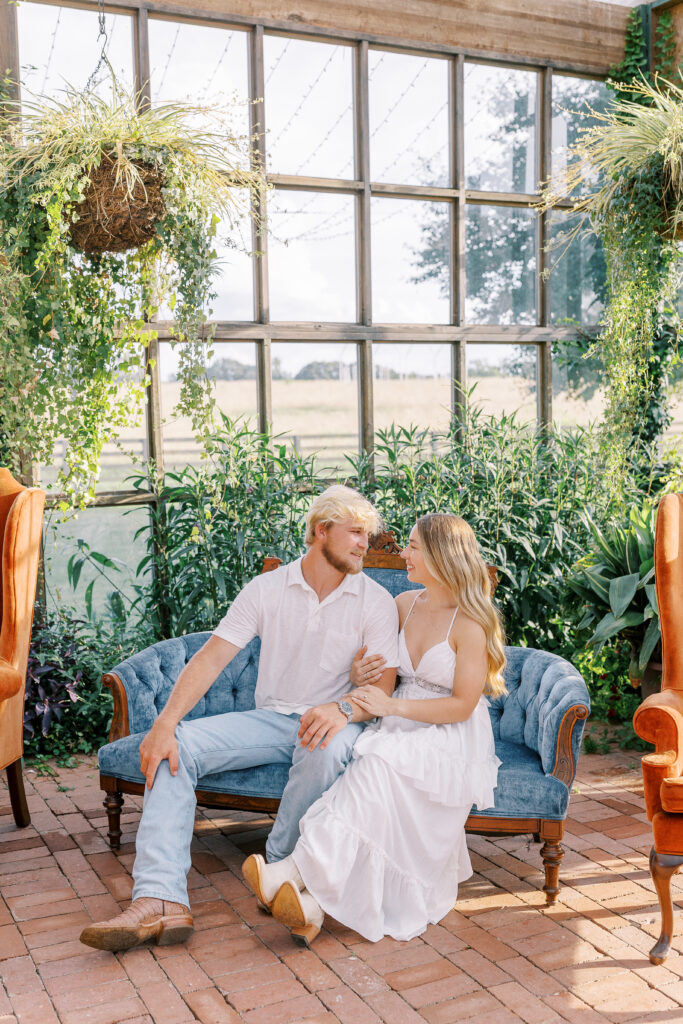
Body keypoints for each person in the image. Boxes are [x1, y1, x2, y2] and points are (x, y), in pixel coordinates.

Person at [80, 485, 399, 951]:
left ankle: (278, 870)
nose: (363, 545)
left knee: (324, 746)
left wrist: (343, 707)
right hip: (269, 719)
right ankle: (160, 898)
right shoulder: (268, 588)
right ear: (320, 530)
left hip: (336, 724)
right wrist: (165, 724)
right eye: (355, 533)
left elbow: (383, 688)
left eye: (368, 537)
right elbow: (210, 659)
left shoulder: (375, 601)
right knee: (177, 747)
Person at [242, 513, 505, 946]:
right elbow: (375, 670)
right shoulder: (403, 606)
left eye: (415, 546)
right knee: (364, 789)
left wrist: (391, 704)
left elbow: (462, 706)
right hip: (396, 722)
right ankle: (311, 905)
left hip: (447, 736)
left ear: (441, 555)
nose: (404, 553)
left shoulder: (471, 624)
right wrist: (358, 670)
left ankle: (291, 872)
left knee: (373, 769)